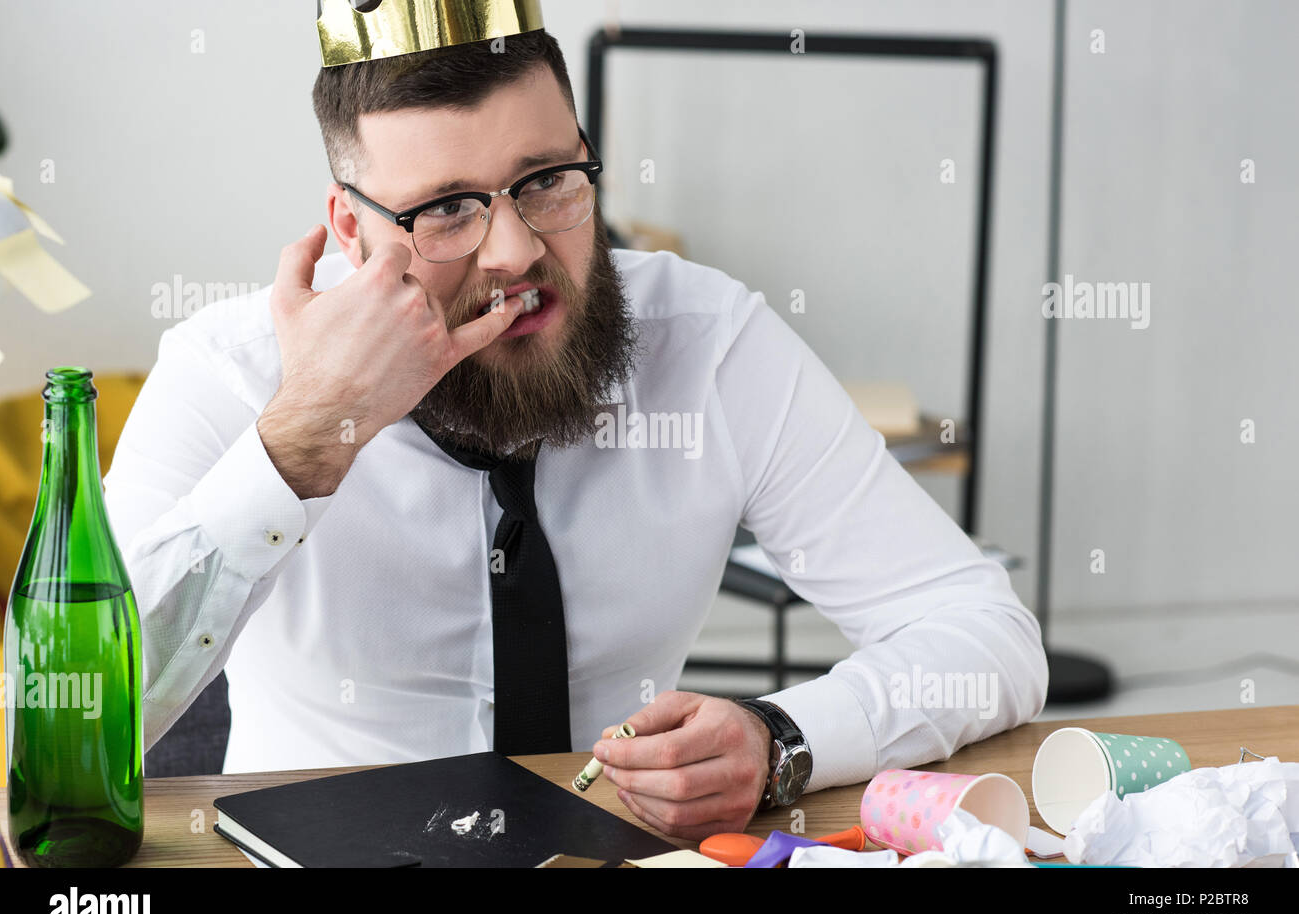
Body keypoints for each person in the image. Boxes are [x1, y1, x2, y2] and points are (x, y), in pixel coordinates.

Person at [103, 26, 1047, 841]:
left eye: (546, 181)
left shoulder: (712, 344)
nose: (514, 253)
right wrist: (299, 443)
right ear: (349, 230)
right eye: (446, 209)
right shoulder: (229, 372)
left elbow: (986, 634)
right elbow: (67, 720)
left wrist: (780, 738)